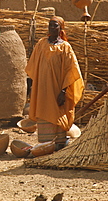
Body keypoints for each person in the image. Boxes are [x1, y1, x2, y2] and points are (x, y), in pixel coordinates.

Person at [25, 16, 84, 151]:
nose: (52, 28)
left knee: (58, 112)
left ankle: (59, 143)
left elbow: (71, 71)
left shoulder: (65, 47)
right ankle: (46, 144)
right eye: (50, 25)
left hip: (58, 89)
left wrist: (63, 91)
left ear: (61, 28)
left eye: (55, 26)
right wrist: (32, 86)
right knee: (44, 110)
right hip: (42, 88)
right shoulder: (41, 44)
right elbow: (33, 65)